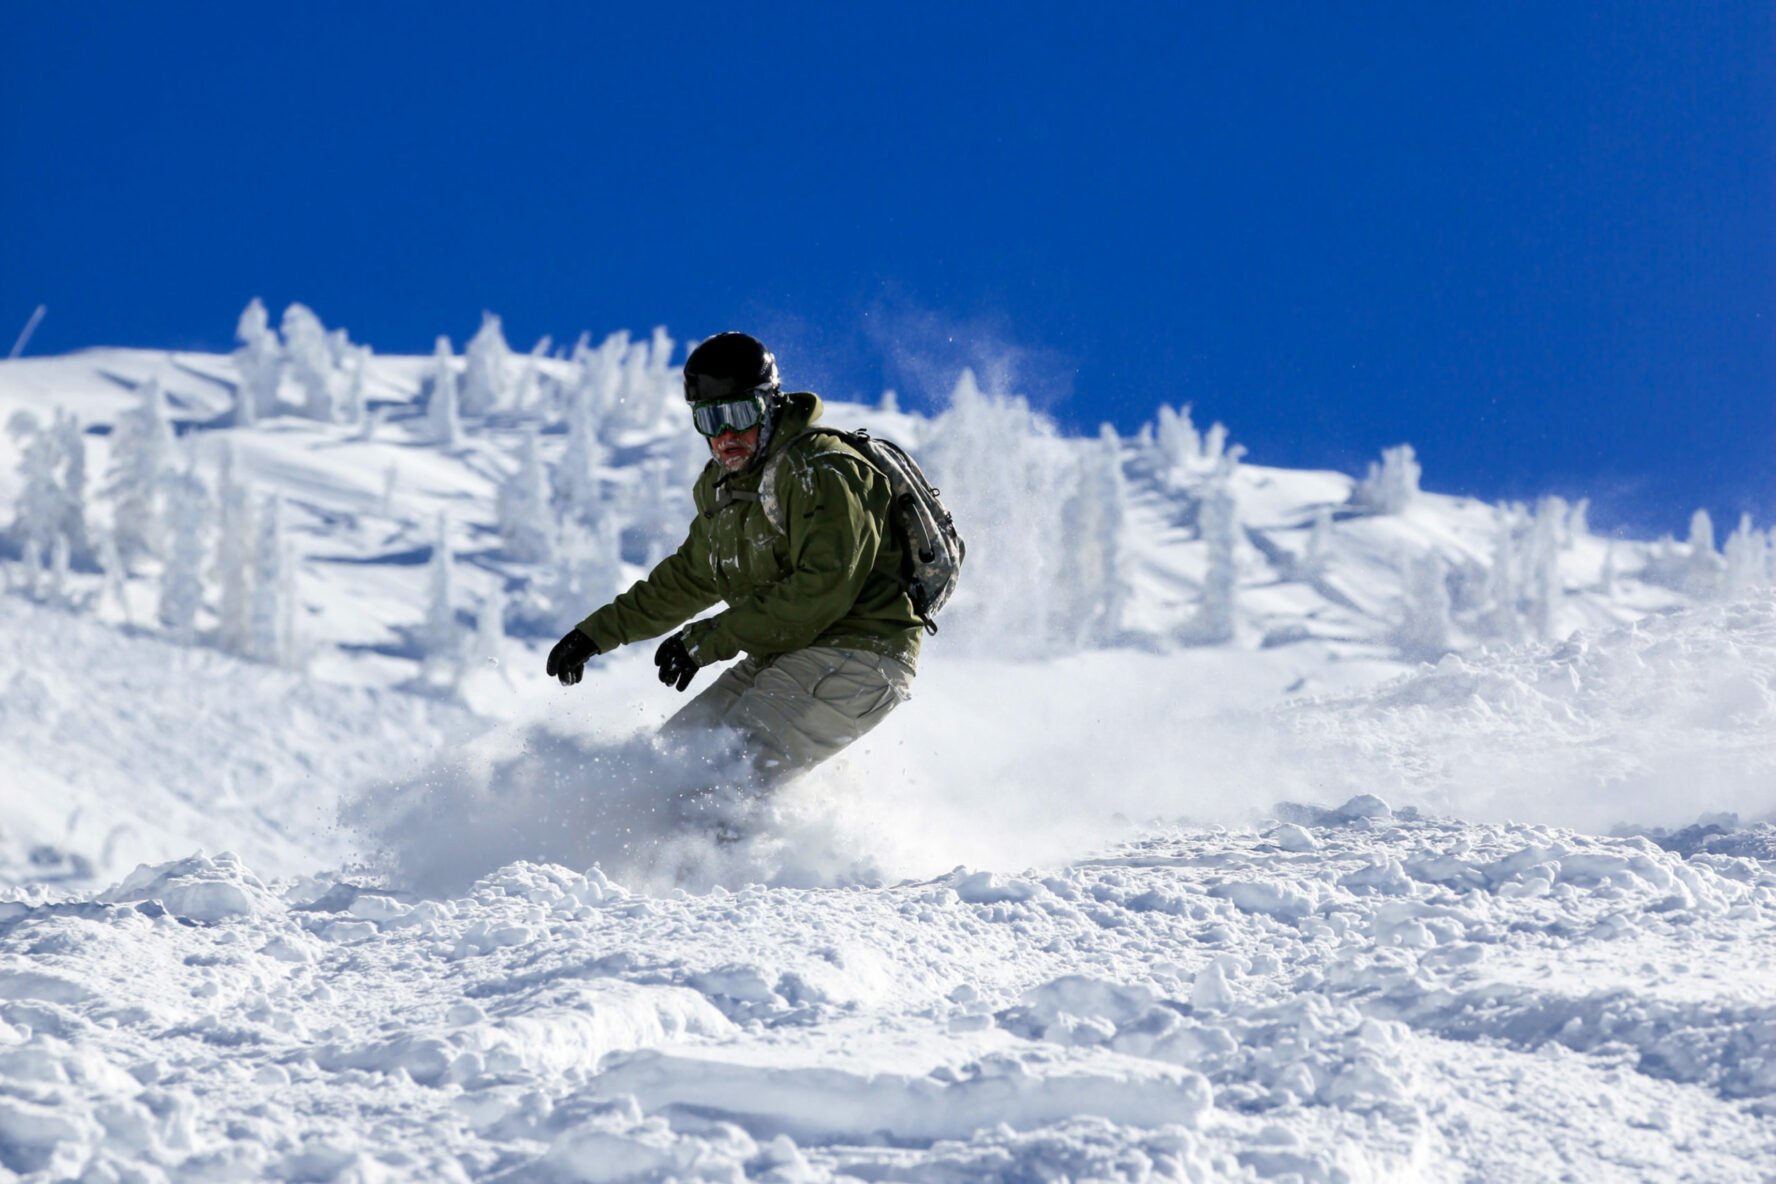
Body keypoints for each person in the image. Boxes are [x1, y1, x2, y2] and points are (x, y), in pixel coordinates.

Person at [545, 331, 922, 804]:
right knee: (666, 767)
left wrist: (708, 639)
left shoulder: (822, 470)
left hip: (858, 650)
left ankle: (735, 876)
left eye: (740, 415)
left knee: (716, 782)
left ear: (769, 405)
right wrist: (597, 634)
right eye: (709, 419)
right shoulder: (726, 489)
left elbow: (823, 589)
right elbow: (690, 577)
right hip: (784, 650)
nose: (725, 436)